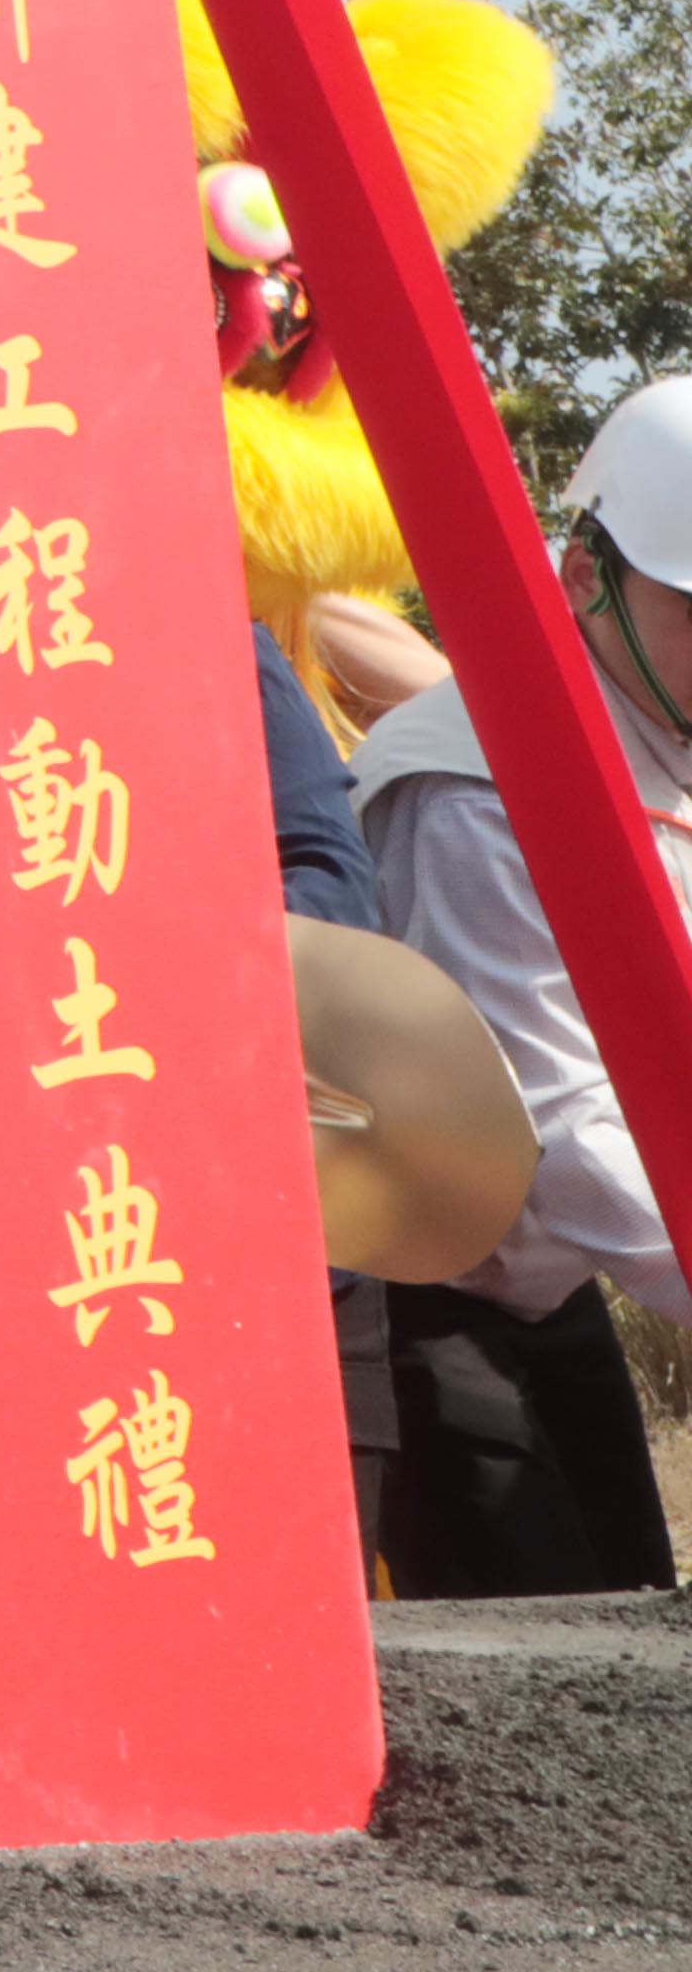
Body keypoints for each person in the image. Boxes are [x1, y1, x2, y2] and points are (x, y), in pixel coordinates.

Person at [347, 373, 692, 1598]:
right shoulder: (478, 785)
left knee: (639, 1617)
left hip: (554, 1281)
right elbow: (546, 1126)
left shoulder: (666, 741)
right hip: (432, 1301)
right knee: (532, 1655)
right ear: (587, 573)